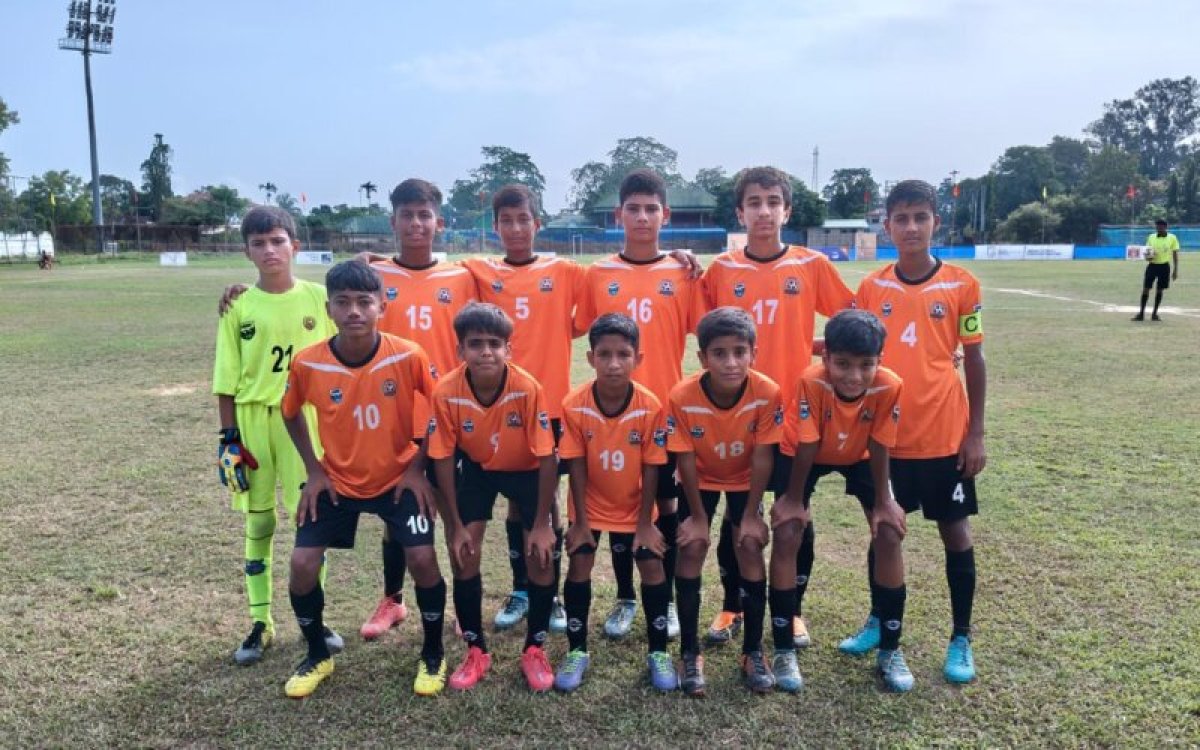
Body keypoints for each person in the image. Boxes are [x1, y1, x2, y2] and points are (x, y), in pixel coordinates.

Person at [700, 166, 853, 649]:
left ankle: (794, 611)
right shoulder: (721, 270)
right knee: (735, 517)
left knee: (793, 516)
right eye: (754, 202)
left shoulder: (811, 265)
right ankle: (732, 605)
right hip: (736, 416)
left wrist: (816, 348)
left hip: (795, 419)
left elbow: (851, 324)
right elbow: (704, 331)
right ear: (740, 212)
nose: (764, 211)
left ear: (787, 211)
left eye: (772, 202)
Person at [279, 260, 446, 698]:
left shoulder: (408, 354)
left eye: (364, 302)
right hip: (337, 481)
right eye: (343, 302)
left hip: (398, 479)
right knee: (301, 565)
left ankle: (433, 652)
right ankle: (318, 654)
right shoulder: (309, 363)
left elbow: (442, 407)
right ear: (329, 309)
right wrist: (314, 470)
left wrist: (417, 468)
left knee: (423, 558)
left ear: (381, 306)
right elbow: (290, 412)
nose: (354, 311)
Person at [851, 179, 986, 685]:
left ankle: (961, 637)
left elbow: (974, 358)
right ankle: (879, 620)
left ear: (935, 222)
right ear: (887, 226)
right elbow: (856, 360)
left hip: (944, 436)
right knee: (884, 531)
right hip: (886, 439)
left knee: (955, 531)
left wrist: (976, 433)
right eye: (901, 218)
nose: (911, 227)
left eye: (920, 217)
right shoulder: (871, 288)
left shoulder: (962, 285)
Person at [573, 168, 707, 641]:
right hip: (610, 413)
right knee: (617, 506)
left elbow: (706, 334)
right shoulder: (598, 274)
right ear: (619, 215)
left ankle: (663, 597)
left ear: (665, 215)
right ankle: (626, 598)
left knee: (663, 507)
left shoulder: (683, 273)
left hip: (663, 414)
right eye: (634, 209)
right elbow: (578, 327)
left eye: (652, 209)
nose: (643, 217)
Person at [742, 309, 908, 692]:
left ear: (880, 360)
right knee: (787, 531)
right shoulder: (812, 381)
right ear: (826, 357)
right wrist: (793, 501)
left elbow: (880, 442)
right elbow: (808, 442)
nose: (854, 376)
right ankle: (784, 649)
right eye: (843, 364)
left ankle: (890, 649)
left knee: (889, 532)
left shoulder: (890, 385)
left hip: (861, 455)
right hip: (805, 454)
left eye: (866, 365)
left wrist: (884, 501)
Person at [211, 206, 342, 666]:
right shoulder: (238, 306)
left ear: (295, 246)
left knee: (311, 521)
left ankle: (315, 620)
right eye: (259, 243)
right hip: (254, 422)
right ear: (246, 251)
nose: (269, 250)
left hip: (304, 422)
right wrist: (229, 438)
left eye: (277, 241)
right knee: (260, 521)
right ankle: (260, 622)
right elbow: (226, 379)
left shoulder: (320, 298)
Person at [427, 302, 559, 693]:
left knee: (540, 555)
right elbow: (442, 458)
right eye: (475, 344)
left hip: (527, 471)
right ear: (460, 350)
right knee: (464, 552)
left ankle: (534, 649)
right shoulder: (446, 391)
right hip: (479, 470)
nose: (486, 352)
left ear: (508, 349)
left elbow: (547, 458)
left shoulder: (526, 388)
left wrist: (542, 524)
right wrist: (454, 525)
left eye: (494, 344)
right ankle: (476, 651)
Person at [555, 313, 677, 692]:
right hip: (589, 506)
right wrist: (579, 522)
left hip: (635, 507)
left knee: (652, 567)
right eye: (604, 354)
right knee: (580, 563)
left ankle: (658, 652)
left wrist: (645, 523)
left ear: (637, 359)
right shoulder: (574, 404)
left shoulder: (650, 406)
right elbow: (575, 464)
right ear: (590, 358)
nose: (613, 364)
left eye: (623, 354)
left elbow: (652, 466)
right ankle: (577, 650)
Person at [667, 307, 784, 696]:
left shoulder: (767, 392)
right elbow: (684, 459)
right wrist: (698, 518)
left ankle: (753, 651)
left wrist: (750, 514)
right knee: (692, 546)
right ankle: (689, 652)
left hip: (744, 479)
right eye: (719, 353)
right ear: (703, 358)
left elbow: (763, 456)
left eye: (739, 352)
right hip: (699, 479)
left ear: (754, 353)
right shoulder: (682, 396)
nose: (731, 362)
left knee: (748, 543)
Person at [1132, 219, 1180, 322]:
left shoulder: (1172, 238)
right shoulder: (1151, 237)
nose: (1159, 228)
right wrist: (1148, 257)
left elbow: (1175, 254)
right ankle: (1141, 314)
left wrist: (1175, 270)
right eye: (1157, 227)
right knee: (1146, 288)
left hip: (1164, 267)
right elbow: (1148, 252)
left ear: (1165, 227)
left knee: (1160, 289)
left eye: (1161, 227)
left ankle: (1154, 314)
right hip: (1152, 266)